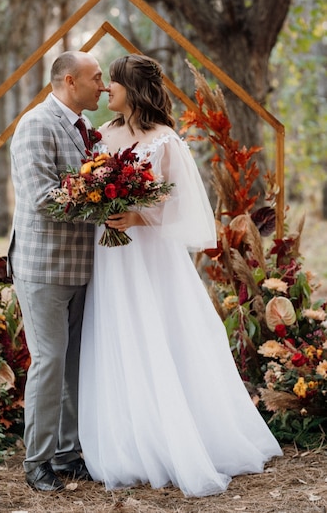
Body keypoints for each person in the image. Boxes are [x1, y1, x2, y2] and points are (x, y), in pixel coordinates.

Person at [78, 54, 282, 497]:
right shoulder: (100, 135)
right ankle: (129, 443)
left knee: (163, 333)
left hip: (150, 257)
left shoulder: (164, 140)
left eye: (113, 83)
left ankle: (184, 436)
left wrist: (138, 216)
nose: (106, 90)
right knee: (119, 334)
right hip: (110, 258)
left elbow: (180, 206)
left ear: (131, 90)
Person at [8, 50, 106, 492]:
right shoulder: (35, 125)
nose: (103, 86)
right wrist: (107, 207)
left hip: (83, 267)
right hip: (43, 266)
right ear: (70, 81)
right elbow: (44, 198)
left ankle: (68, 453)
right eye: (96, 78)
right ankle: (37, 461)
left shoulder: (86, 130)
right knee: (48, 362)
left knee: (73, 365)